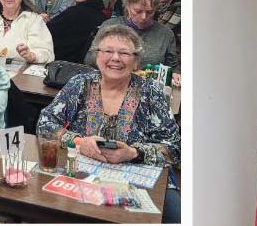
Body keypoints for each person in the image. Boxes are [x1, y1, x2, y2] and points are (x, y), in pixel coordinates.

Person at [41, 25, 178, 167]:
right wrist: (79, 143)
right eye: (108, 51)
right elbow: (45, 124)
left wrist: (133, 153)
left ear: (136, 62)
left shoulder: (152, 93)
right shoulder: (80, 84)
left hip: (135, 177)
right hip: (82, 171)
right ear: (97, 56)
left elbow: (174, 149)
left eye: (124, 53)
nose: (116, 58)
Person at [86, 0, 178, 70]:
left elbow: (172, 67)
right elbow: (90, 60)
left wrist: (175, 74)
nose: (144, 17)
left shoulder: (165, 33)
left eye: (150, 12)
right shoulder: (109, 27)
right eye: (138, 11)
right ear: (128, 7)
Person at [47, 0, 106, 64]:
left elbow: (47, 30)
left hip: (62, 60)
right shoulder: (101, 14)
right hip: (81, 62)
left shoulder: (74, 12)